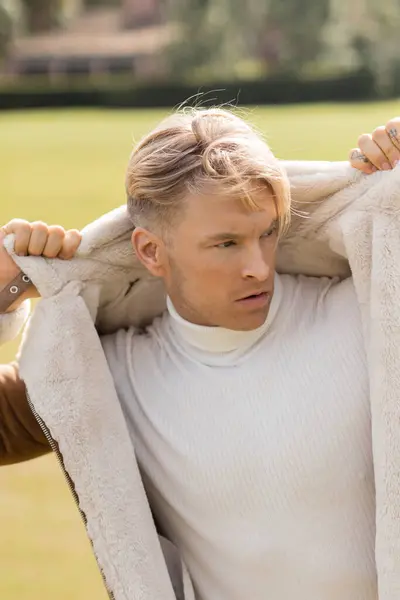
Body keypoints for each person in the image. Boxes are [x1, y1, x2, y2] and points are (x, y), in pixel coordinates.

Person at [0, 109, 399, 600]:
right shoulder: (109, 376)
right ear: (150, 252)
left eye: (268, 232)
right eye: (226, 243)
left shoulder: (369, 314)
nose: (258, 267)